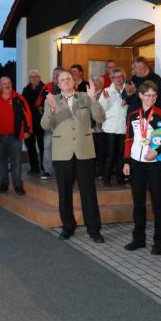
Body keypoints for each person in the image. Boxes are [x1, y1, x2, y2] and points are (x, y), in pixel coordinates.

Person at [41, 71, 106, 243]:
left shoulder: (85, 97)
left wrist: (94, 100)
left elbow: (100, 117)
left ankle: (94, 230)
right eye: (62, 79)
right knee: (64, 193)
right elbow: (45, 125)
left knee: (89, 192)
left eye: (68, 78)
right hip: (62, 153)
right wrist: (52, 110)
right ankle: (68, 227)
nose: (66, 81)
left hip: (84, 151)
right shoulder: (52, 100)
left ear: (74, 81)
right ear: (58, 83)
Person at [122, 80, 161, 255]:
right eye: (148, 95)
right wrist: (126, 161)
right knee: (138, 203)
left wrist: (157, 150)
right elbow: (128, 139)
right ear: (140, 95)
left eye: (154, 96)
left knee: (158, 204)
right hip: (136, 164)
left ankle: (159, 242)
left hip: (155, 166)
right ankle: (139, 239)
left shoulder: (160, 115)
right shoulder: (133, 115)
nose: (151, 99)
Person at [0, 76, 33, 195]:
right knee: (2, 163)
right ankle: (4, 185)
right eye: (4, 83)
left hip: (15, 137)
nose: (7, 85)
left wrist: (28, 130)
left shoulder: (18, 98)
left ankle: (18, 186)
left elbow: (27, 114)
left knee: (16, 162)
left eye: (9, 82)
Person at [98, 68, 128, 186]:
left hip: (123, 128)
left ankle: (121, 179)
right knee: (109, 154)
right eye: (116, 77)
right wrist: (106, 100)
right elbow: (101, 110)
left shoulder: (128, 90)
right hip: (109, 128)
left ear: (124, 78)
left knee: (121, 155)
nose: (118, 79)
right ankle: (106, 179)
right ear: (112, 78)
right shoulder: (107, 91)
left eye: (121, 77)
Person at [36, 66, 65, 180]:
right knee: (47, 146)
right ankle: (47, 170)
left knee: (63, 147)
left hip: (63, 123)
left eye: (58, 74)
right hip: (49, 123)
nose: (55, 76)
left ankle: (62, 170)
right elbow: (38, 103)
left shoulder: (68, 86)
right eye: (54, 74)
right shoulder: (46, 87)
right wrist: (45, 114)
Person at [21, 70, 45, 176]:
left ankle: (44, 167)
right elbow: (22, 106)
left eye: (36, 76)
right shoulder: (25, 90)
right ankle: (34, 168)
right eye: (32, 77)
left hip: (42, 123)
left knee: (43, 146)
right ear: (29, 79)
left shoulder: (44, 89)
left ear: (39, 77)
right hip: (29, 123)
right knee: (30, 146)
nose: (34, 78)